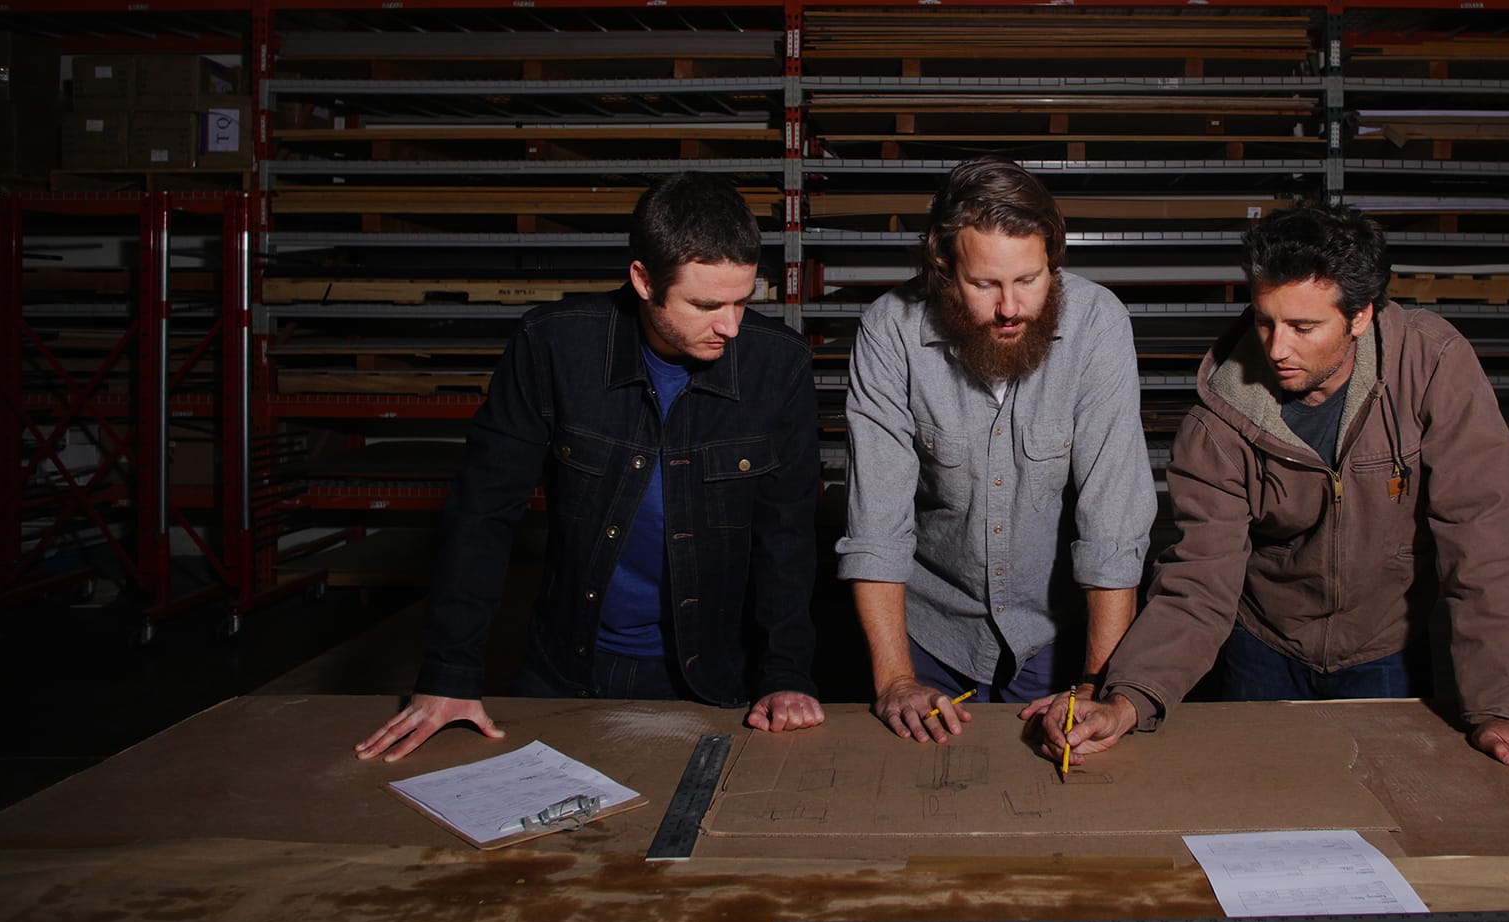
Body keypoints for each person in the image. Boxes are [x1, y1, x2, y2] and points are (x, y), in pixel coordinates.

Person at [1032, 203, 1509, 775]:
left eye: (1304, 327)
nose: (1276, 348)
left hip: (1385, 644)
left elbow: (1490, 535)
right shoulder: (1219, 418)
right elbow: (1200, 577)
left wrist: (1495, 707)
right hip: (1261, 644)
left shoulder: (1432, 364)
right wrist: (1127, 699)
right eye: (1264, 320)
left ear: (1361, 317)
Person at [357, 173, 824, 763]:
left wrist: (786, 673)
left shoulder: (776, 365)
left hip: (712, 672)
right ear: (642, 280)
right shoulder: (552, 345)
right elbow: (482, 512)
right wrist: (450, 671)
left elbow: (785, 535)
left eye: (742, 300)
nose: (730, 326)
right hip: (565, 662)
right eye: (706, 305)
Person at [837, 157, 1156, 743]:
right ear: (942, 268)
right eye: (985, 285)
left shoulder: (1097, 324)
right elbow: (876, 525)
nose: (1010, 308)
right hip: (932, 637)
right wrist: (894, 681)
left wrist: (1098, 683)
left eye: (1029, 280)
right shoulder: (890, 331)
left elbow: (1112, 524)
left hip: (1057, 635)